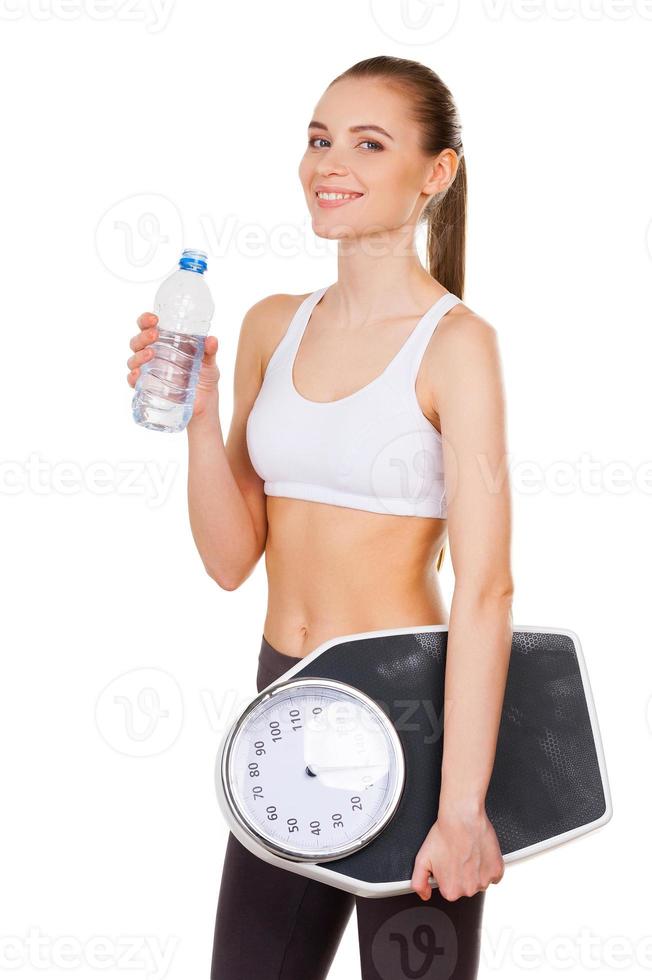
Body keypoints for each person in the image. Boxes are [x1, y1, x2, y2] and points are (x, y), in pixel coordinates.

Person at [127, 54, 512, 980]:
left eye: (367, 143)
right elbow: (231, 562)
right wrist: (199, 409)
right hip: (281, 704)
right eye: (318, 139)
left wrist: (460, 809)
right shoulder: (269, 323)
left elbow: (488, 585)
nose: (328, 162)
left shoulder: (456, 345)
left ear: (436, 174)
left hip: (407, 718)